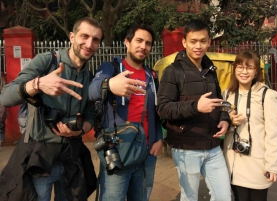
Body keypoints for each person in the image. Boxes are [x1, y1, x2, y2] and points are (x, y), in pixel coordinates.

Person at [0, 17, 102, 200]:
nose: (89, 44)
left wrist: (79, 131)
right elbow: (6, 97)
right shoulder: (47, 62)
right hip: (41, 158)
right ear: (72, 37)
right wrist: (38, 84)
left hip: (71, 158)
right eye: (84, 36)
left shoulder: (89, 77)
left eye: (95, 40)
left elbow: (89, 116)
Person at [157, 19, 232, 201]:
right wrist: (195, 106)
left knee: (223, 196)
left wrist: (224, 118)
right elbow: (163, 108)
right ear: (184, 42)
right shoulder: (173, 71)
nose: (198, 46)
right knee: (189, 197)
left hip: (213, 146)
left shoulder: (210, 70)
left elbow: (219, 101)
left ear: (209, 42)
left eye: (203, 41)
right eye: (193, 41)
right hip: (186, 148)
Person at [89, 24, 163, 201]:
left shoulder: (152, 76)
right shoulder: (111, 68)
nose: (143, 46)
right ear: (127, 42)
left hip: (147, 153)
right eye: (138, 41)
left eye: (148, 43)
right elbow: (91, 91)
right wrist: (109, 85)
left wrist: (159, 138)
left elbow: (156, 111)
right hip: (119, 151)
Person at [222, 49, 277, 201]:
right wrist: (230, 122)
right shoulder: (226, 94)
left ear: (256, 71)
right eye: (240, 67)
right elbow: (219, 125)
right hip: (233, 162)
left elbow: (275, 133)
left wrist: (273, 165)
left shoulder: (267, 95)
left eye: (250, 67)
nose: (244, 72)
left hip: (257, 164)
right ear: (235, 69)